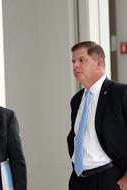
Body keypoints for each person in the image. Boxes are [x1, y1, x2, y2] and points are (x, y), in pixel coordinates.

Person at [67, 41, 127, 190]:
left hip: (110, 179)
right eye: (73, 61)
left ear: (99, 63)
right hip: (78, 180)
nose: (75, 65)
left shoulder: (120, 93)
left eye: (81, 60)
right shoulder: (76, 100)